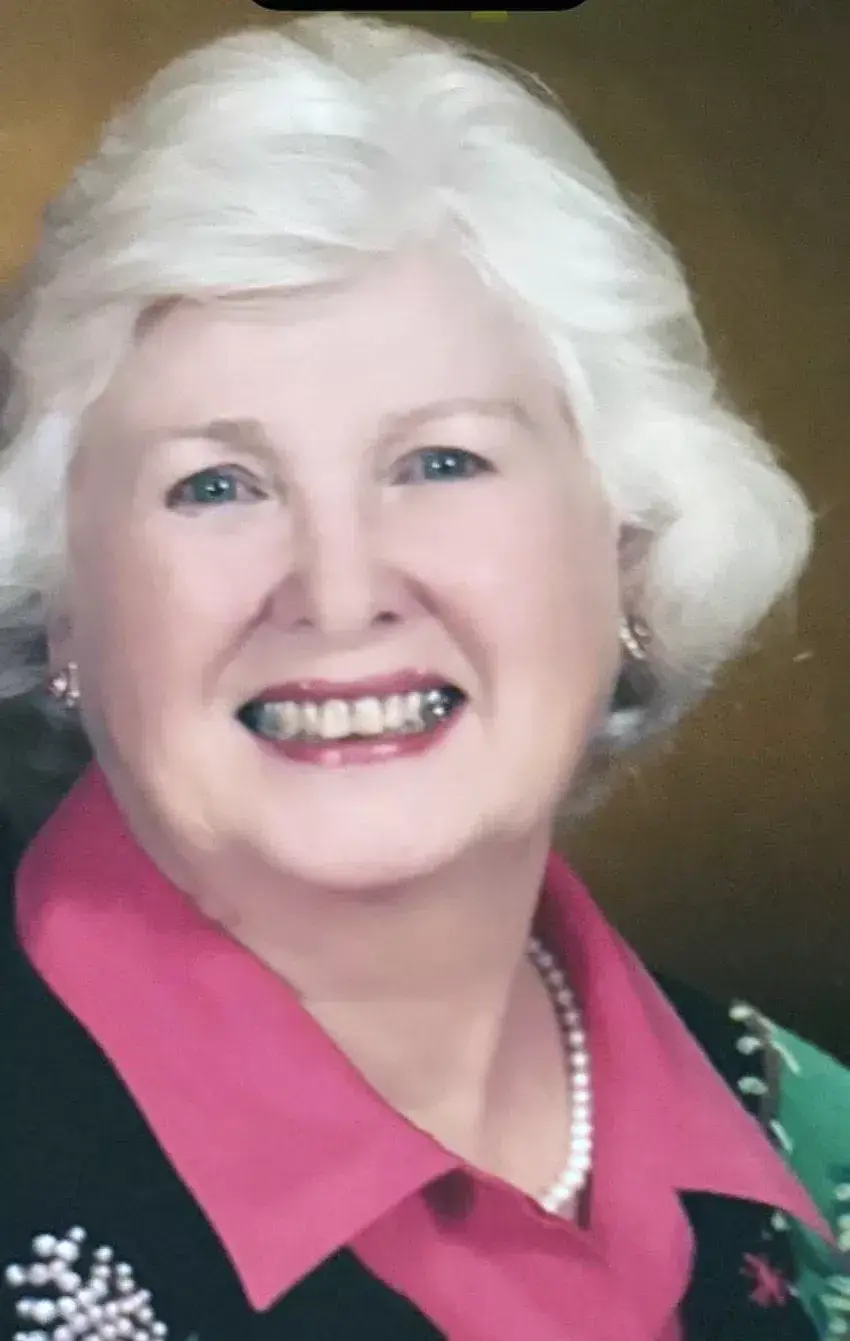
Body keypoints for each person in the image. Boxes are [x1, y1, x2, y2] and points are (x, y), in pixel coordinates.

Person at [0, 14, 845, 1341]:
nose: (339, 593)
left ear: (629, 549)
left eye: (442, 463)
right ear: (60, 611)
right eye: (215, 485)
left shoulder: (814, 1137)